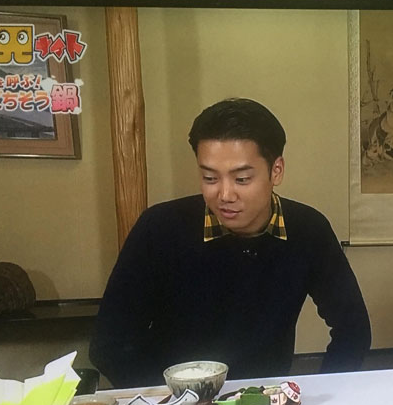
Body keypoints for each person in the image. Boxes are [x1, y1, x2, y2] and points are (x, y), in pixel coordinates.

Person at [90, 98, 371, 387]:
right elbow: (109, 344)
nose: (225, 195)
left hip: (264, 402)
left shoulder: (308, 230)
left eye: (242, 179)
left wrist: (323, 392)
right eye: (210, 178)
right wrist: (170, 402)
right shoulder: (160, 228)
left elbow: (353, 328)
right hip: (174, 402)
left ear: (276, 170)